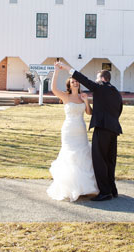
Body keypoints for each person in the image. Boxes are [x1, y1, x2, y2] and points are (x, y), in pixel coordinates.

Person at [54, 61, 123, 201]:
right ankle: (112, 189)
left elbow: (82, 78)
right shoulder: (116, 92)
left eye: (97, 78)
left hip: (102, 129)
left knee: (99, 160)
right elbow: (119, 109)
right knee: (110, 160)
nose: (96, 81)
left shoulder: (99, 87)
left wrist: (67, 68)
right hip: (113, 129)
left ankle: (105, 192)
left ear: (102, 79)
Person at [46, 63, 99, 202]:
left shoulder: (82, 96)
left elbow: (89, 113)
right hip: (69, 130)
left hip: (81, 129)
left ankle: (84, 188)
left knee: (83, 155)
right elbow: (53, 88)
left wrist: (86, 101)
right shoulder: (65, 97)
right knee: (70, 156)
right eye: (72, 81)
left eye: (76, 81)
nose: (75, 83)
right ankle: (70, 188)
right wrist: (56, 71)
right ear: (69, 85)